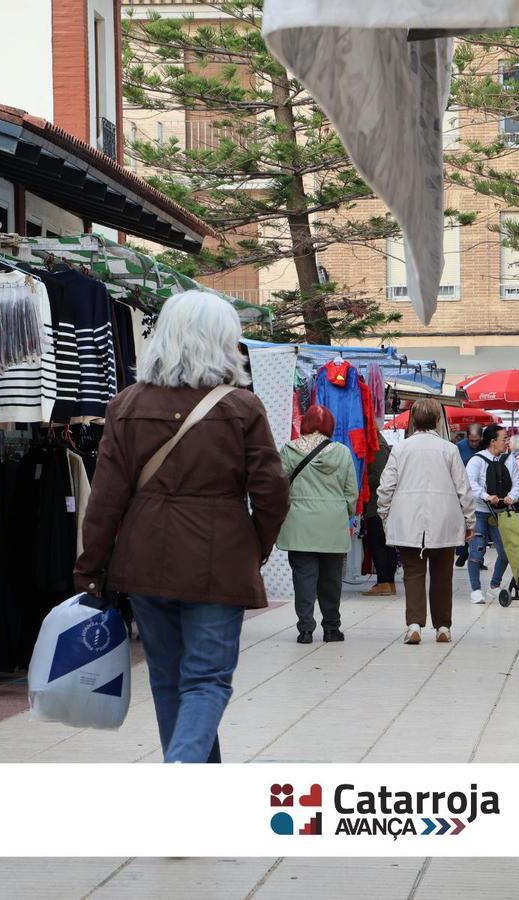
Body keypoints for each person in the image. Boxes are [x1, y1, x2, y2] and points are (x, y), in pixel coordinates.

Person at [75, 290, 290, 763]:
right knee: (207, 680)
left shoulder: (126, 404)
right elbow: (272, 492)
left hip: (143, 558)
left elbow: (106, 498)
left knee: (169, 679)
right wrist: (255, 547)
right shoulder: (242, 407)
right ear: (224, 341)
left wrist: (91, 568)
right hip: (220, 560)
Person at [377, 398, 475, 645]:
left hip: (407, 518)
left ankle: (414, 625)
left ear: (412, 420)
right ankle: (443, 626)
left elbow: (386, 487)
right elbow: (463, 488)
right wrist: (469, 520)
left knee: (413, 573)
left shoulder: (400, 449)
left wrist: (385, 515)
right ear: (438, 420)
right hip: (445, 518)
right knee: (443, 574)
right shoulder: (449, 449)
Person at [277, 405, 359, 643]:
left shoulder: (289, 450)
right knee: (331, 580)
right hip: (332, 523)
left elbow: (279, 486)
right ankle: (332, 628)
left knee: (303, 578)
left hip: (299, 523)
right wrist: (342, 512)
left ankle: (305, 630)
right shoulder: (342, 452)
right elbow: (350, 491)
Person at [464, 424, 519, 604]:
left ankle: (494, 586)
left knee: (505, 551)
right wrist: (486, 496)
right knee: (477, 551)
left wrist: (511, 497)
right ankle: (475, 589)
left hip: (502, 513)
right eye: (504, 439)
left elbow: (517, 484)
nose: (507, 442)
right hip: (479, 512)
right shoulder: (477, 460)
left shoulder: (509, 460)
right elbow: (469, 484)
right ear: (492, 442)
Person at [362, 427, 399, 596]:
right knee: (386, 543)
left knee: (378, 543)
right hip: (384, 502)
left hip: (376, 503)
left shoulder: (377, 448)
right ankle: (388, 582)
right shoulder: (383, 446)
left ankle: (384, 582)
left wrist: (361, 483)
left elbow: (377, 476)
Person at [453, 423, 484, 567]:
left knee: (479, 527)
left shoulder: (484, 447)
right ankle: (462, 552)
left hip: (480, 492)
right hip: (463, 490)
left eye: (476, 440)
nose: (473, 443)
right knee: (463, 522)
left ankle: (478, 558)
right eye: (471, 440)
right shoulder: (459, 447)